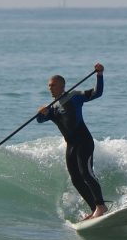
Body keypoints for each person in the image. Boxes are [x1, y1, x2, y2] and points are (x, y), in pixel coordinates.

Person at [37, 63, 108, 220]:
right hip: (71, 146)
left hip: (84, 141)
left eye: (53, 85)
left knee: (87, 173)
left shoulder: (74, 96)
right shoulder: (52, 107)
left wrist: (100, 75)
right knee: (76, 179)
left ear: (62, 86)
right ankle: (95, 210)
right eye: (49, 85)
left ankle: (101, 206)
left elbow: (98, 93)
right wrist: (40, 113)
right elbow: (40, 120)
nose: (50, 88)